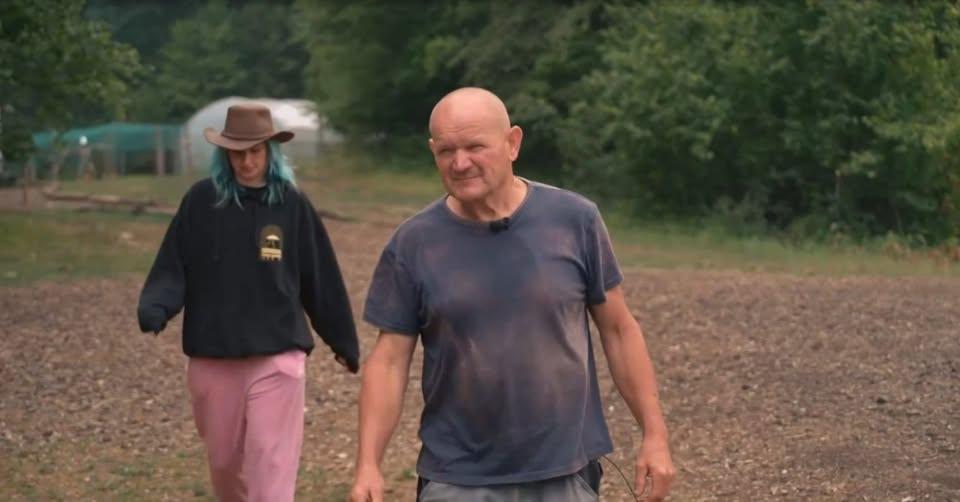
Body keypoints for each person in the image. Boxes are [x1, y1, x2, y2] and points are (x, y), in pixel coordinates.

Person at [350, 87, 675, 502]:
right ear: (433, 151)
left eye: (475, 147)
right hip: (457, 479)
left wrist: (654, 435)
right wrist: (368, 465)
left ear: (512, 143)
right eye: (446, 151)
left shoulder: (574, 221)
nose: (460, 163)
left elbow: (619, 331)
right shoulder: (414, 243)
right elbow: (389, 361)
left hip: (565, 472)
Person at [137, 102, 359, 502]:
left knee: (270, 467)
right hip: (213, 355)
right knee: (225, 465)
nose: (247, 161)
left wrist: (342, 340)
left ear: (270, 152)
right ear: (224, 155)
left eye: (255, 151)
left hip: (278, 355)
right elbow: (174, 264)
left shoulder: (291, 205)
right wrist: (156, 305)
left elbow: (320, 276)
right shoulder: (201, 202)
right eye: (237, 153)